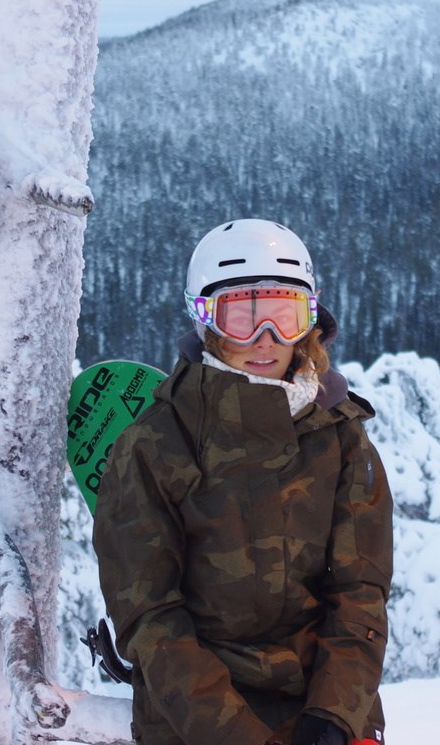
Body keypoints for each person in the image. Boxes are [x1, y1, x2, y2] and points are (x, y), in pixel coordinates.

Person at [93, 219, 393, 745]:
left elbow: (359, 590)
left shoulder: (337, 434)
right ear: (206, 320)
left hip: (321, 704)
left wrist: (336, 713)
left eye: (284, 315)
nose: (265, 338)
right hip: (196, 718)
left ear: (309, 320)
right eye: (241, 318)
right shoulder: (157, 442)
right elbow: (150, 615)